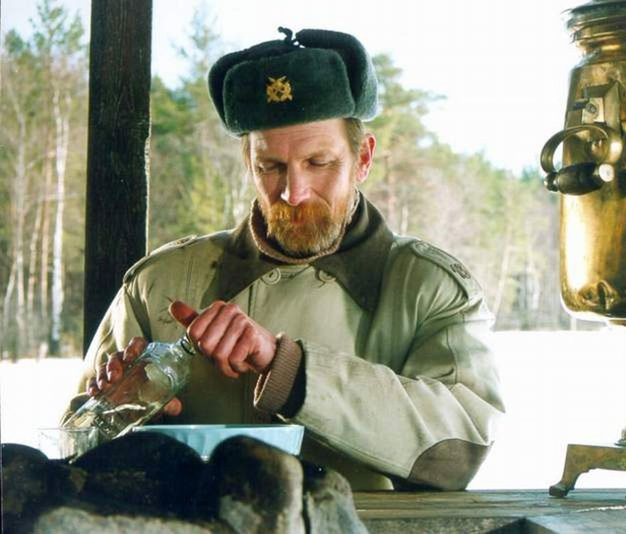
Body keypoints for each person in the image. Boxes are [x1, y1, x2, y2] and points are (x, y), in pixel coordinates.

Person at [64, 27, 504, 491]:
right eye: (271, 167)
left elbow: (459, 451)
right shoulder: (159, 283)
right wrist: (122, 416)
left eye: (318, 163)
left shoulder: (429, 288)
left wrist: (287, 369)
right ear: (249, 164)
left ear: (363, 158)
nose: (294, 192)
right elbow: (74, 455)